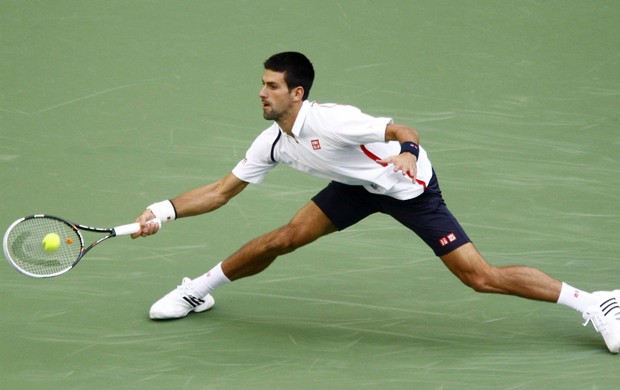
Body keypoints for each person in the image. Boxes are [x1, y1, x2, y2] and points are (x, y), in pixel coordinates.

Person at [132, 51, 620, 353]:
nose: (261, 92)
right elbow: (220, 191)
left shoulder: (334, 122)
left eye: (272, 85)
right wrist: (163, 210)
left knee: (479, 277)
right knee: (285, 237)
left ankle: (597, 303)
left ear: (297, 93)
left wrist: (407, 156)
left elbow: (403, 130)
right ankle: (197, 289)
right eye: (262, 83)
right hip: (356, 188)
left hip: (409, 188)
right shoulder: (273, 142)